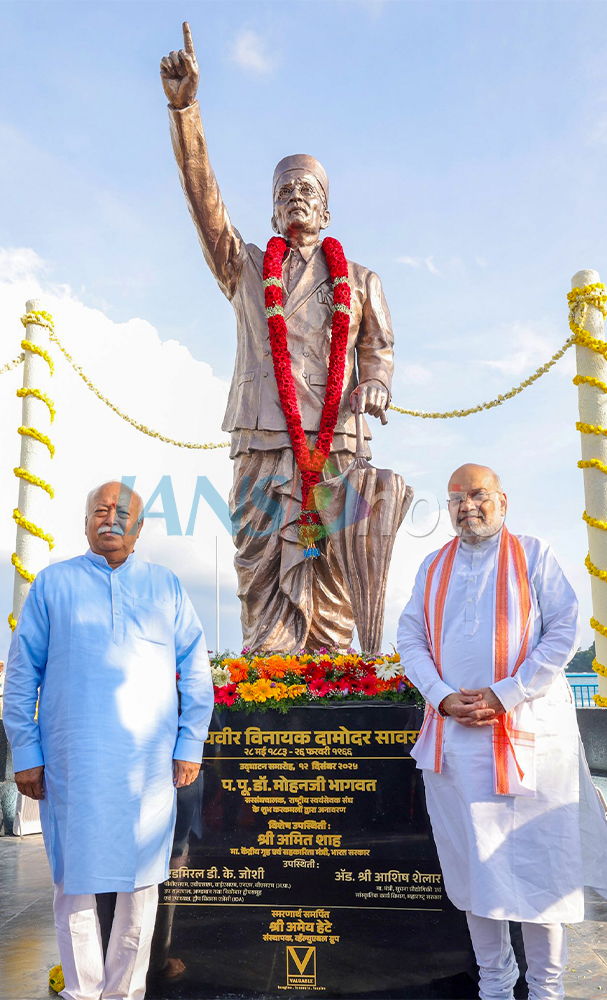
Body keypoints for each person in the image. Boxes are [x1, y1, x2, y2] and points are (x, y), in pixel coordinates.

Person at [160, 23, 394, 654]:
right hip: (263, 429)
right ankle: (269, 671)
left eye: (307, 192)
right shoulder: (244, 268)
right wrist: (187, 112)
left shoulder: (363, 279)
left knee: (336, 561)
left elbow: (378, 348)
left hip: (337, 434)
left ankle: (335, 675)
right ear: (270, 211)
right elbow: (204, 202)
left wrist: (373, 380)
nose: (295, 199)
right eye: (284, 192)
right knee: (259, 558)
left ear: (326, 209)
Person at [397, 463, 607, 1000]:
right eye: (455, 499)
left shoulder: (535, 555)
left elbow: (564, 627)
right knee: (473, 870)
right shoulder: (432, 566)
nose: (467, 506)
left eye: (478, 495)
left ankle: (547, 990)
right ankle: (495, 983)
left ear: (503, 500)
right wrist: (443, 697)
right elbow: (410, 636)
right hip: (457, 743)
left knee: (540, 872)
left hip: (528, 741)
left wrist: (506, 693)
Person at [4, 481, 214, 1000]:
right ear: (85, 523)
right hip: (74, 762)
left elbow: (196, 670)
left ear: (139, 530)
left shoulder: (165, 586)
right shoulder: (53, 584)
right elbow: (21, 674)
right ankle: (82, 991)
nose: (111, 519)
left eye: (123, 513)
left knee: (140, 884)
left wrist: (189, 743)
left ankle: (125, 992)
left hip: (148, 768)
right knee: (73, 884)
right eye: (100, 510)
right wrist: (27, 753)